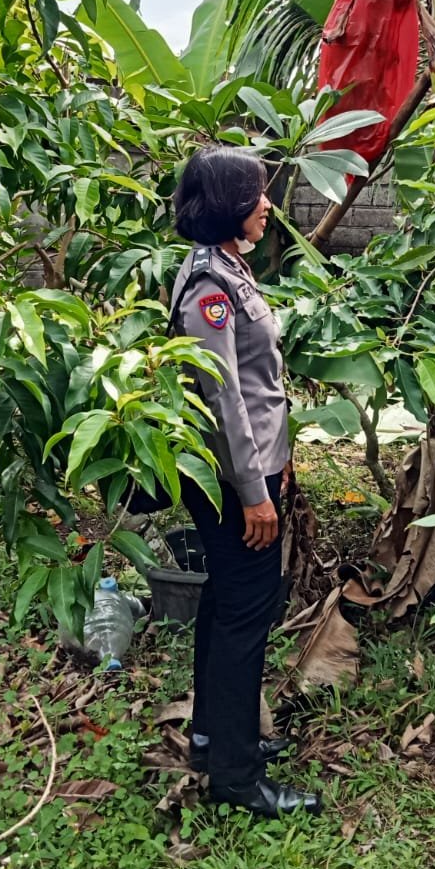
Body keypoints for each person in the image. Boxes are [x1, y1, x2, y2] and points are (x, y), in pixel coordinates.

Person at [169, 145, 321, 818]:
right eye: (256, 193)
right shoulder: (210, 287)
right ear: (228, 204)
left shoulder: (227, 266)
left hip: (250, 468)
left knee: (226, 603)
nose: (267, 204)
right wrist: (255, 493)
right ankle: (235, 775)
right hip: (236, 480)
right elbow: (225, 398)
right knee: (246, 615)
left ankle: (212, 736)